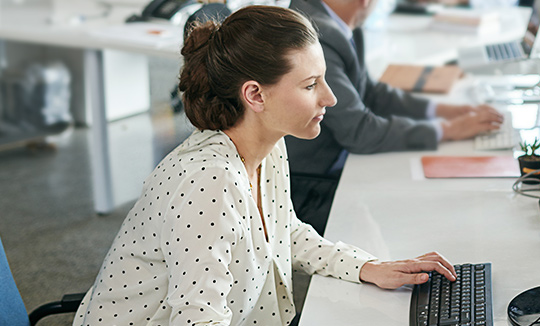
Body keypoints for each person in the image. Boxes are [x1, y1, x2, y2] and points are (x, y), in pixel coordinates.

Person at [72, 6, 456, 326]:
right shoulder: (208, 182)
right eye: (310, 85)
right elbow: (199, 320)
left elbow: (285, 232)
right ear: (255, 95)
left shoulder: (266, 146)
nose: (331, 97)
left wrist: (367, 266)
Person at [287, 0, 505, 235]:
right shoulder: (318, 33)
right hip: (311, 187)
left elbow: (371, 93)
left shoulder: (341, 24)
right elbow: (360, 133)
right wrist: (448, 130)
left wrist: (440, 110)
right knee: (420, 207)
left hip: (336, 168)